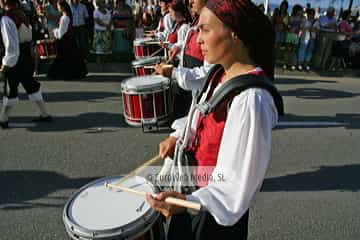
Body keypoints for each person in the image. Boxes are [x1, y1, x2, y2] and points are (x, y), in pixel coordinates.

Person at [146, 0, 283, 239]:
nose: (198, 39)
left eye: (205, 30)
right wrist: (178, 136)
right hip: (192, 196)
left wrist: (190, 202)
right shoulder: (219, 72)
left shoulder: (251, 99)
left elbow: (237, 183)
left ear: (234, 33)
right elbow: (199, 114)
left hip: (214, 214)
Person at [0, 0, 52, 129]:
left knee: (11, 88)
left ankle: (3, 119)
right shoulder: (22, 14)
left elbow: (11, 46)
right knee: (30, 84)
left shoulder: (6, 19)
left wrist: (5, 64)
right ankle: (44, 114)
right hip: (26, 55)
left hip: (16, 57)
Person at [47, 0, 88, 79]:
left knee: (63, 58)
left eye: (58, 6)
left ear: (62, 8)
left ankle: (62, 74)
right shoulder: (66, 17)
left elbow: (61, 33)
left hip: (65, 41)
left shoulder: (64, 18)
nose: (57, 7)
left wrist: (55, 31)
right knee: (71, 58)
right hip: (69, 40)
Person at [90, 0, 112, 70]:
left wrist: (109, 26)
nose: (104, 3)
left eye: (104, 2)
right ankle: (99, 66)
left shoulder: (107, 11)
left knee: (105, 51)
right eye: (102, 2)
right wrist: (107, 25)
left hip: (106, 32)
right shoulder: (96, 12)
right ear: (98, 4)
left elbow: (110, 19)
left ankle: (105, 65)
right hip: (99, 32)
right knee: (99, 51)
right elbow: (98, 21)